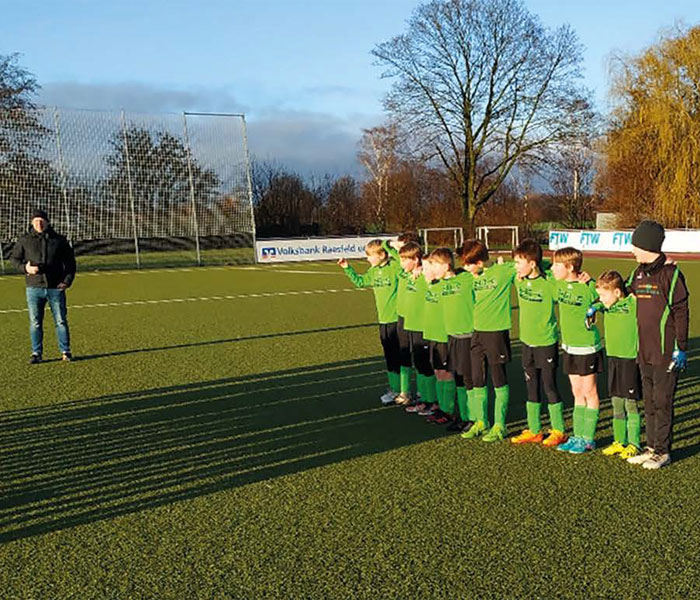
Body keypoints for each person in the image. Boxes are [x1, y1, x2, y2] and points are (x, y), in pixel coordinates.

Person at [622, 221, 689, 469]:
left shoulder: (671, 274)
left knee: (663, 402)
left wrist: (681, 348)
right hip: (645, 350)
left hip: (665, 353)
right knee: (649, 401)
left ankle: (663, 452)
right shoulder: (638, 272)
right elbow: (622, 290)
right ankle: (651, 447)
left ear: (647, 245)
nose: (632, 250)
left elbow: (681, 311)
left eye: (635, 245)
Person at [509, 240, 568, 447]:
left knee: (549, 385)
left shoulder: (550, 283)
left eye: (518, 262)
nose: (515, 266)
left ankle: (558, 430)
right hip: (527, 342)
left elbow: (568, 280)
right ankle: (534, 430)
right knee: (531, 385)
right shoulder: (519, 280)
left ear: (533, 264)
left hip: (546, 342)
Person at [460, 239, 515, 442]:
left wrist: (582, 278)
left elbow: (532, 263)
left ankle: (500, 425)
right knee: (477, 378)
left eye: (468, 264)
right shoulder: (470, 277)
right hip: (477, 333)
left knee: (498, 378)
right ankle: (481, 422)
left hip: (496, 333)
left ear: (480, 262)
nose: (465, 268)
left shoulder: (503, 271)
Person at [551, 247, 603, 454]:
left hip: (587, 346)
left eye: (557, 264)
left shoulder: (588, 287)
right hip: (569, 346)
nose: (553, 268)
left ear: (570, 267)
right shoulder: (558, 285)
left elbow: (607, 293)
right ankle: (577, 436)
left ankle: (588, 438)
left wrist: (590, 281)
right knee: (576, 392)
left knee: (590, 391)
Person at [339, 239, 401, 405]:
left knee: (400, 358)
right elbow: (360, 282)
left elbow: (402, 261)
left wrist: (389, 245)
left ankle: (404, 391)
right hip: (383, 321)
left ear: (381, 255)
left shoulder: (394, 267)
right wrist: (347, 269)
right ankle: (395, 388)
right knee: (390, 357)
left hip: (397, 320)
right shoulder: (373, 271)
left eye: (369, 255)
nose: (367, 259)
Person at [10, 209, 76, 363]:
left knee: (60, 321)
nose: (39, 223)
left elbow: (70, 263)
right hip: (34, 288)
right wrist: (25, 268)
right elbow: (14, 259)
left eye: (41, 220)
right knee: (35, 322)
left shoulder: (59, 240)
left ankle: (66, 352)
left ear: (47, 222)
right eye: (36, 221)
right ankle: (36, 353)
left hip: (55, 288)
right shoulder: (25, 240)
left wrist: (67, 281)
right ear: (31, 223)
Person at [589, 271, 642, 460]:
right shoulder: (606, 306)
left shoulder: (632, 303)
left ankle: (634, 443)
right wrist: (594, 308)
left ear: (618, 293)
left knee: (630, 403)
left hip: (630, 359)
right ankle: (619, 441)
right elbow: (596, 303)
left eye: (604, 295)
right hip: (613, 358)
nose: (601, 299)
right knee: (616, 401)